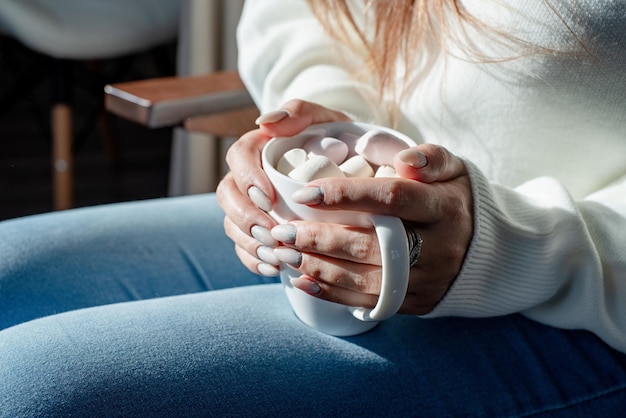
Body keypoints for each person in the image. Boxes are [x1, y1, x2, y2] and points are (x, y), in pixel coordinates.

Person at [1, 0, 625, 415]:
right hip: (339, 223)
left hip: (583, 296)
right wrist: (322, 130)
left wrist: (517, 247)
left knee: (27, 389)